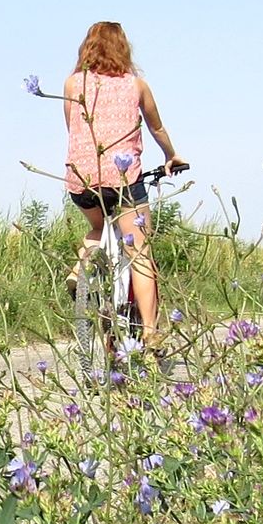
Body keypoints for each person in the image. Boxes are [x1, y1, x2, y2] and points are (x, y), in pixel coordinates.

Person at [62, 20, 187, 345]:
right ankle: (151, 332)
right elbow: (157, 129)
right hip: (124, 180)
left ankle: (83, 264)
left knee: (99, 229)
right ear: (124, 49)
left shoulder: (73, 84)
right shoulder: (136, 86)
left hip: (82, 181)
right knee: (140, 252)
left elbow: (73, 128)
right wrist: (171, 156)